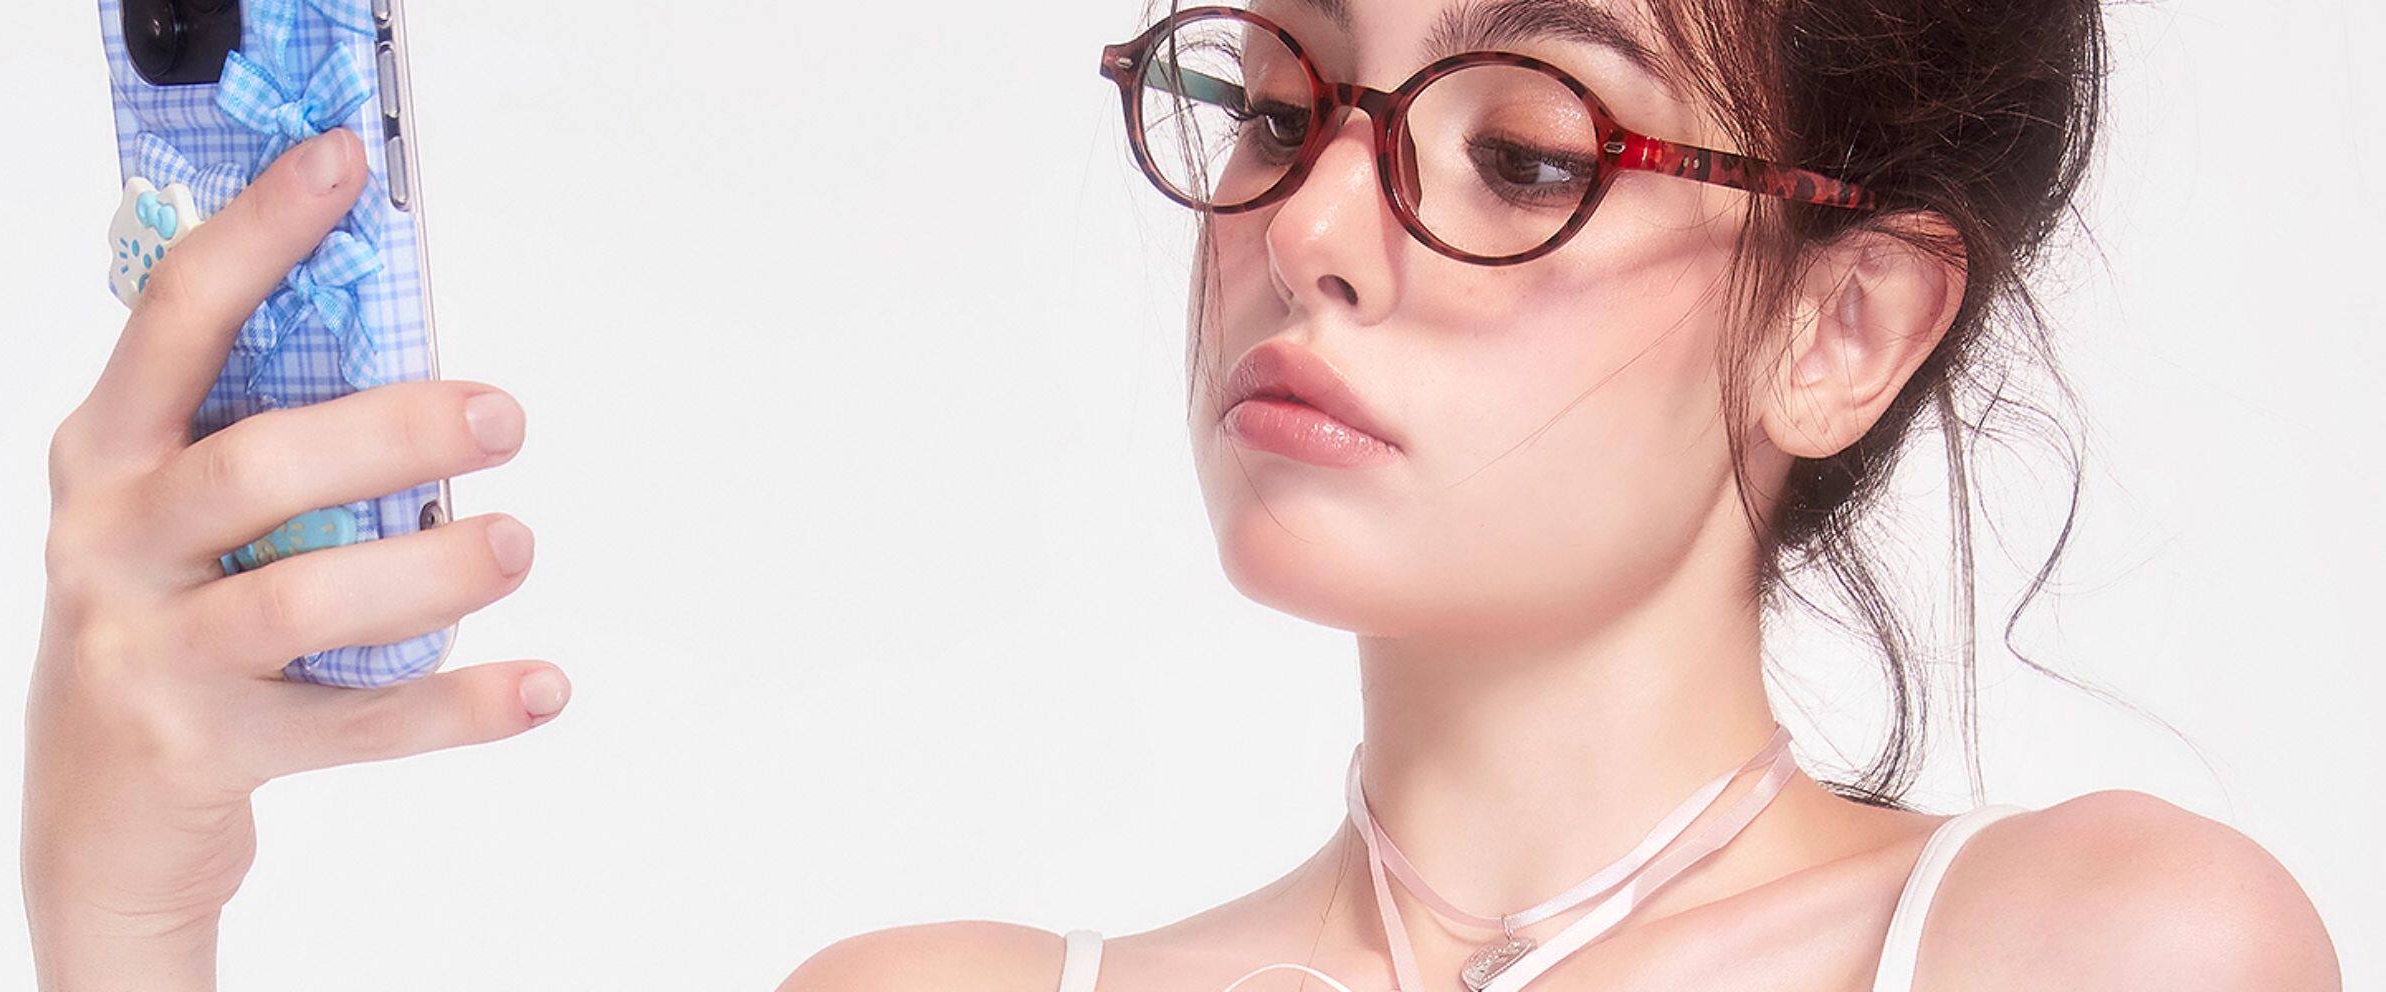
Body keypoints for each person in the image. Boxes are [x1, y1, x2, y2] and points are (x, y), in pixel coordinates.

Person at [774, 1, 2341, 989]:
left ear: (1840, 328)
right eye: (1275, 110)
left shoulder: (2098, 952)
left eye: (1525, 154)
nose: (1306, 230)